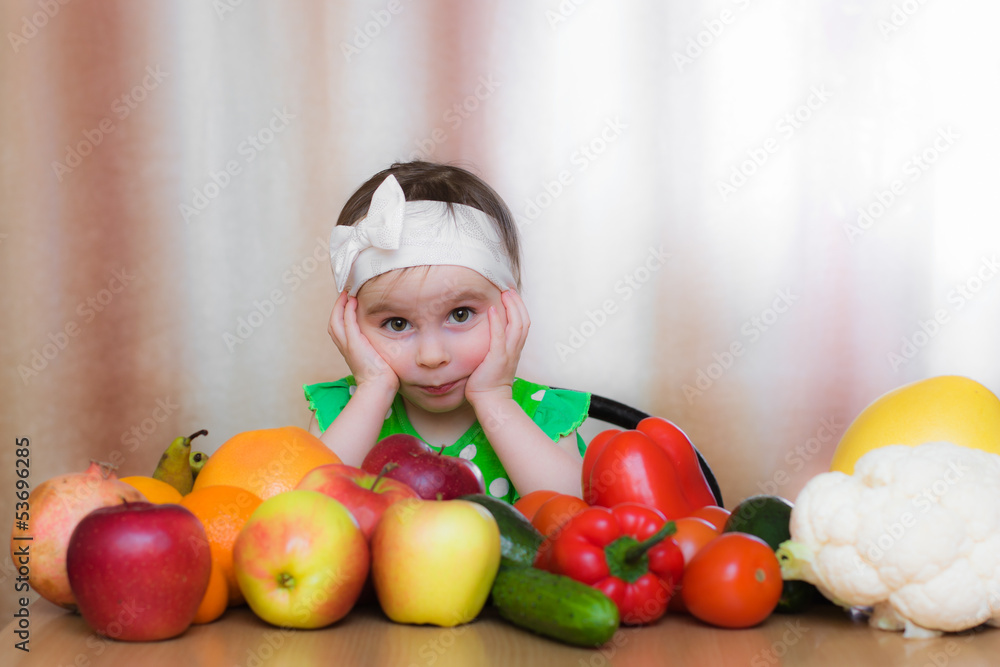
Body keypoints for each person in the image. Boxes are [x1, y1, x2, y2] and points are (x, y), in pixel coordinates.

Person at [305, 161, 589, 502]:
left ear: (511, 307)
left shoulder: (540, 413)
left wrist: (493, 398)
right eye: (397, 323)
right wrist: (373, 390)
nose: (432, 356)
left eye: (460, 314)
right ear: (348, 323)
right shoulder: (345, 410)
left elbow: (572, 512)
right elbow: (308, 508)